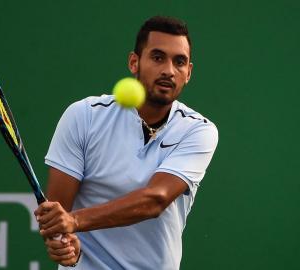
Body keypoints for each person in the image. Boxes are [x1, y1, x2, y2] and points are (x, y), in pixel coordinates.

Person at [35, 16, 218, 269]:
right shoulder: (84, 116)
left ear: (188, 73)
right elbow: (58, 214)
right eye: (157, 57)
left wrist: (73, 222)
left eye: (179, 62)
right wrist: (64, 241)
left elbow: (155, 199)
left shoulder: (198, 131)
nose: (168, 70)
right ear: (134, 62)